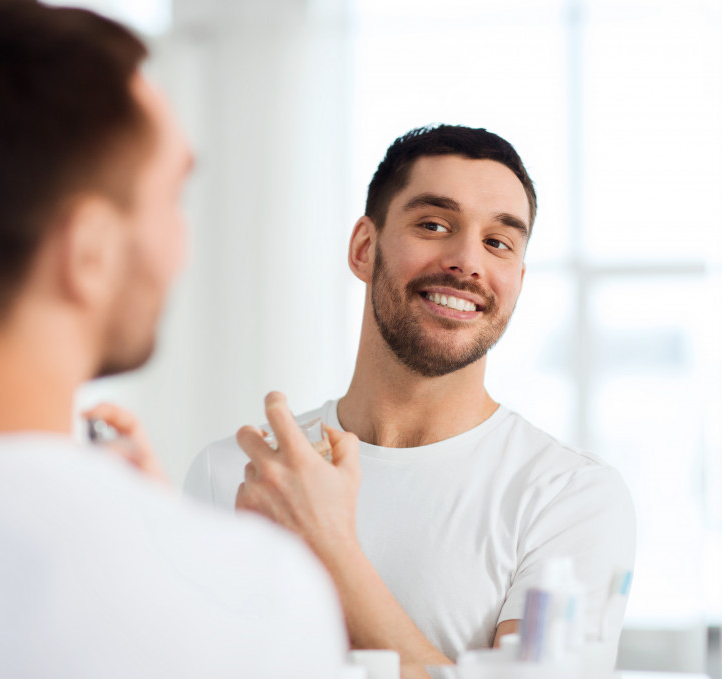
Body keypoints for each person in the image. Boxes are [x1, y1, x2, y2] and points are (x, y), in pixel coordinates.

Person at [0, 1, 346, 677]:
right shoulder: (251, 596)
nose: (182, 243)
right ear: (88, 252)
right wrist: (176, 547)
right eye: (172, 198)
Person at [185, 125, 637, 673]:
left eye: (498, 242)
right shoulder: (239, 473)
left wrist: (331, 550)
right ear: (363, 248)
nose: (467, 261)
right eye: (433, 224)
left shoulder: (569, 498)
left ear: (518, 277)